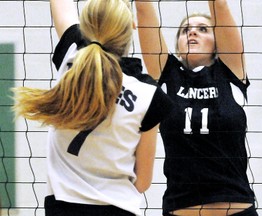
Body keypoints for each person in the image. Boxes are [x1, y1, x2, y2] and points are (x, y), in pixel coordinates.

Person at [12, 0, 173, 215]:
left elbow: (61, 6)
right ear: (130, 26)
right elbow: (143, 182)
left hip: (63, 207)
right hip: (118, 208)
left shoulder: (71, 60)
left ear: (85, 25)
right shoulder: (149, 95)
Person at [135, 0, 258, 216]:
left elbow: (219, 6)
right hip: (181, 207)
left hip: (236, 209)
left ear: (217, 42)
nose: (192, 32)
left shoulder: (230, 71)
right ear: (178, 45)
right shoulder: (167, 75)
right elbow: (143, 9)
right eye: (185, 30)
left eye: (202, 29)